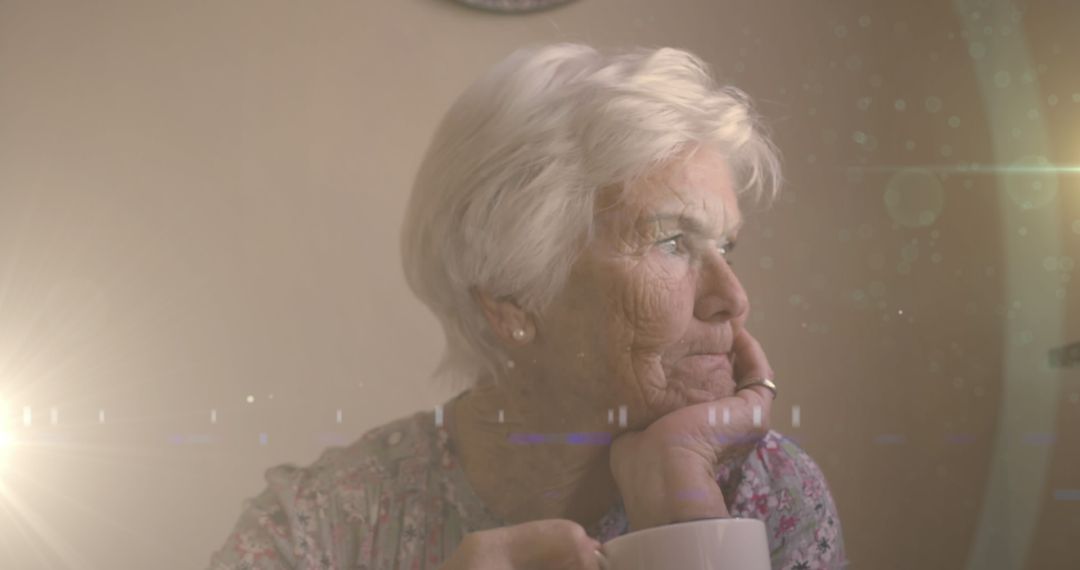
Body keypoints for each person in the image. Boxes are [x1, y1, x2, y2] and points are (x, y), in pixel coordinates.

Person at [209, 43, 846, 570]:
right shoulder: (316, 531)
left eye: (725, 247)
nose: (732, 298)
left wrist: (685, 515)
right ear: (512, 299)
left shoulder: (769, 492)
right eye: (673, 242)